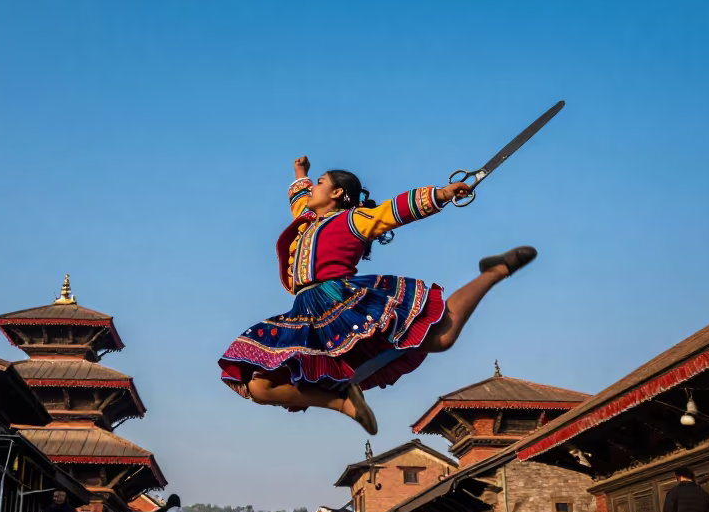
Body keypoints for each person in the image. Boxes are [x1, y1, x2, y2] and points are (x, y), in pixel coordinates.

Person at [218, 156, 538, 436]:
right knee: (259, 386)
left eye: (319, 183)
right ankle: (342, 402)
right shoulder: (307, 223)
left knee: (441, 338)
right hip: (305, 314)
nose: (312, 189)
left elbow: (394, 211)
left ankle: (493, 272)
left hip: (344, 303)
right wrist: (301, 171)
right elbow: (300, 200)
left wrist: (441, 194)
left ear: (337, 193)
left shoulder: (353, 219)